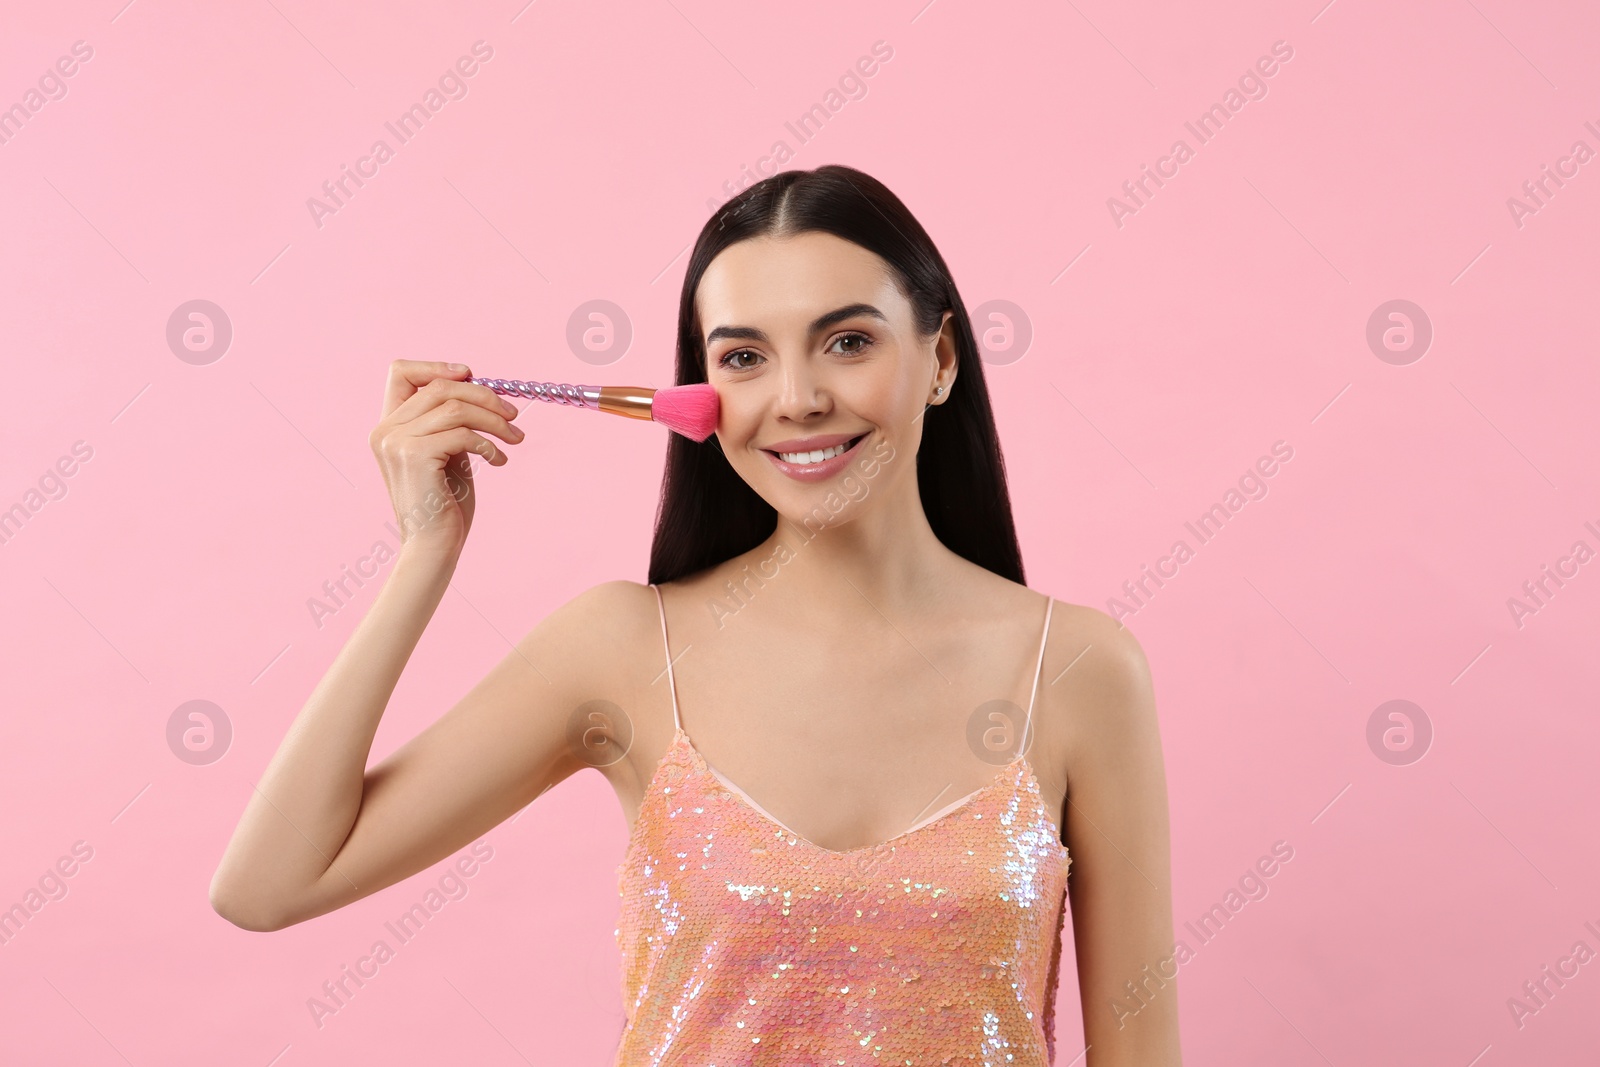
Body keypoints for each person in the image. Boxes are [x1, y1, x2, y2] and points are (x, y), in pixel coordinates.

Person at [210, 165, 1182, 1065]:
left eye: (847, 341)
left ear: (938, 357)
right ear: (699, 395)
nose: (796, 399)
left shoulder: (1081, 667)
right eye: (744, 356)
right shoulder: (625, 650)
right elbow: (269, 882)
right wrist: (426, 551)